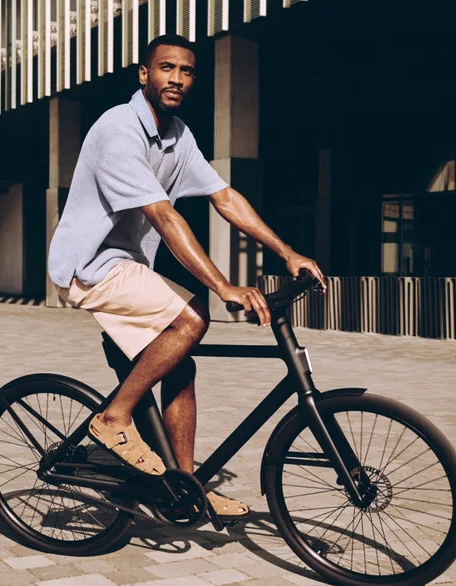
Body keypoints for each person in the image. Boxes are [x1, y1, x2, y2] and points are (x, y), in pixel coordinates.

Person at [48, 33, 325, 520]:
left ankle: (188, 486)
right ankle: (113, 420)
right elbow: (163, 216)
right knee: (192, 320)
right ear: (144, 74)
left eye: (187, 71)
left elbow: (225, 198)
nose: (177, 79)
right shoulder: (119, 131)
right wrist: (224, 286)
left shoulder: (177, 134)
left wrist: (287, 252)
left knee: (183, 359)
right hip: (89, 265)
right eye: (166, 68)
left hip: (127, 263)